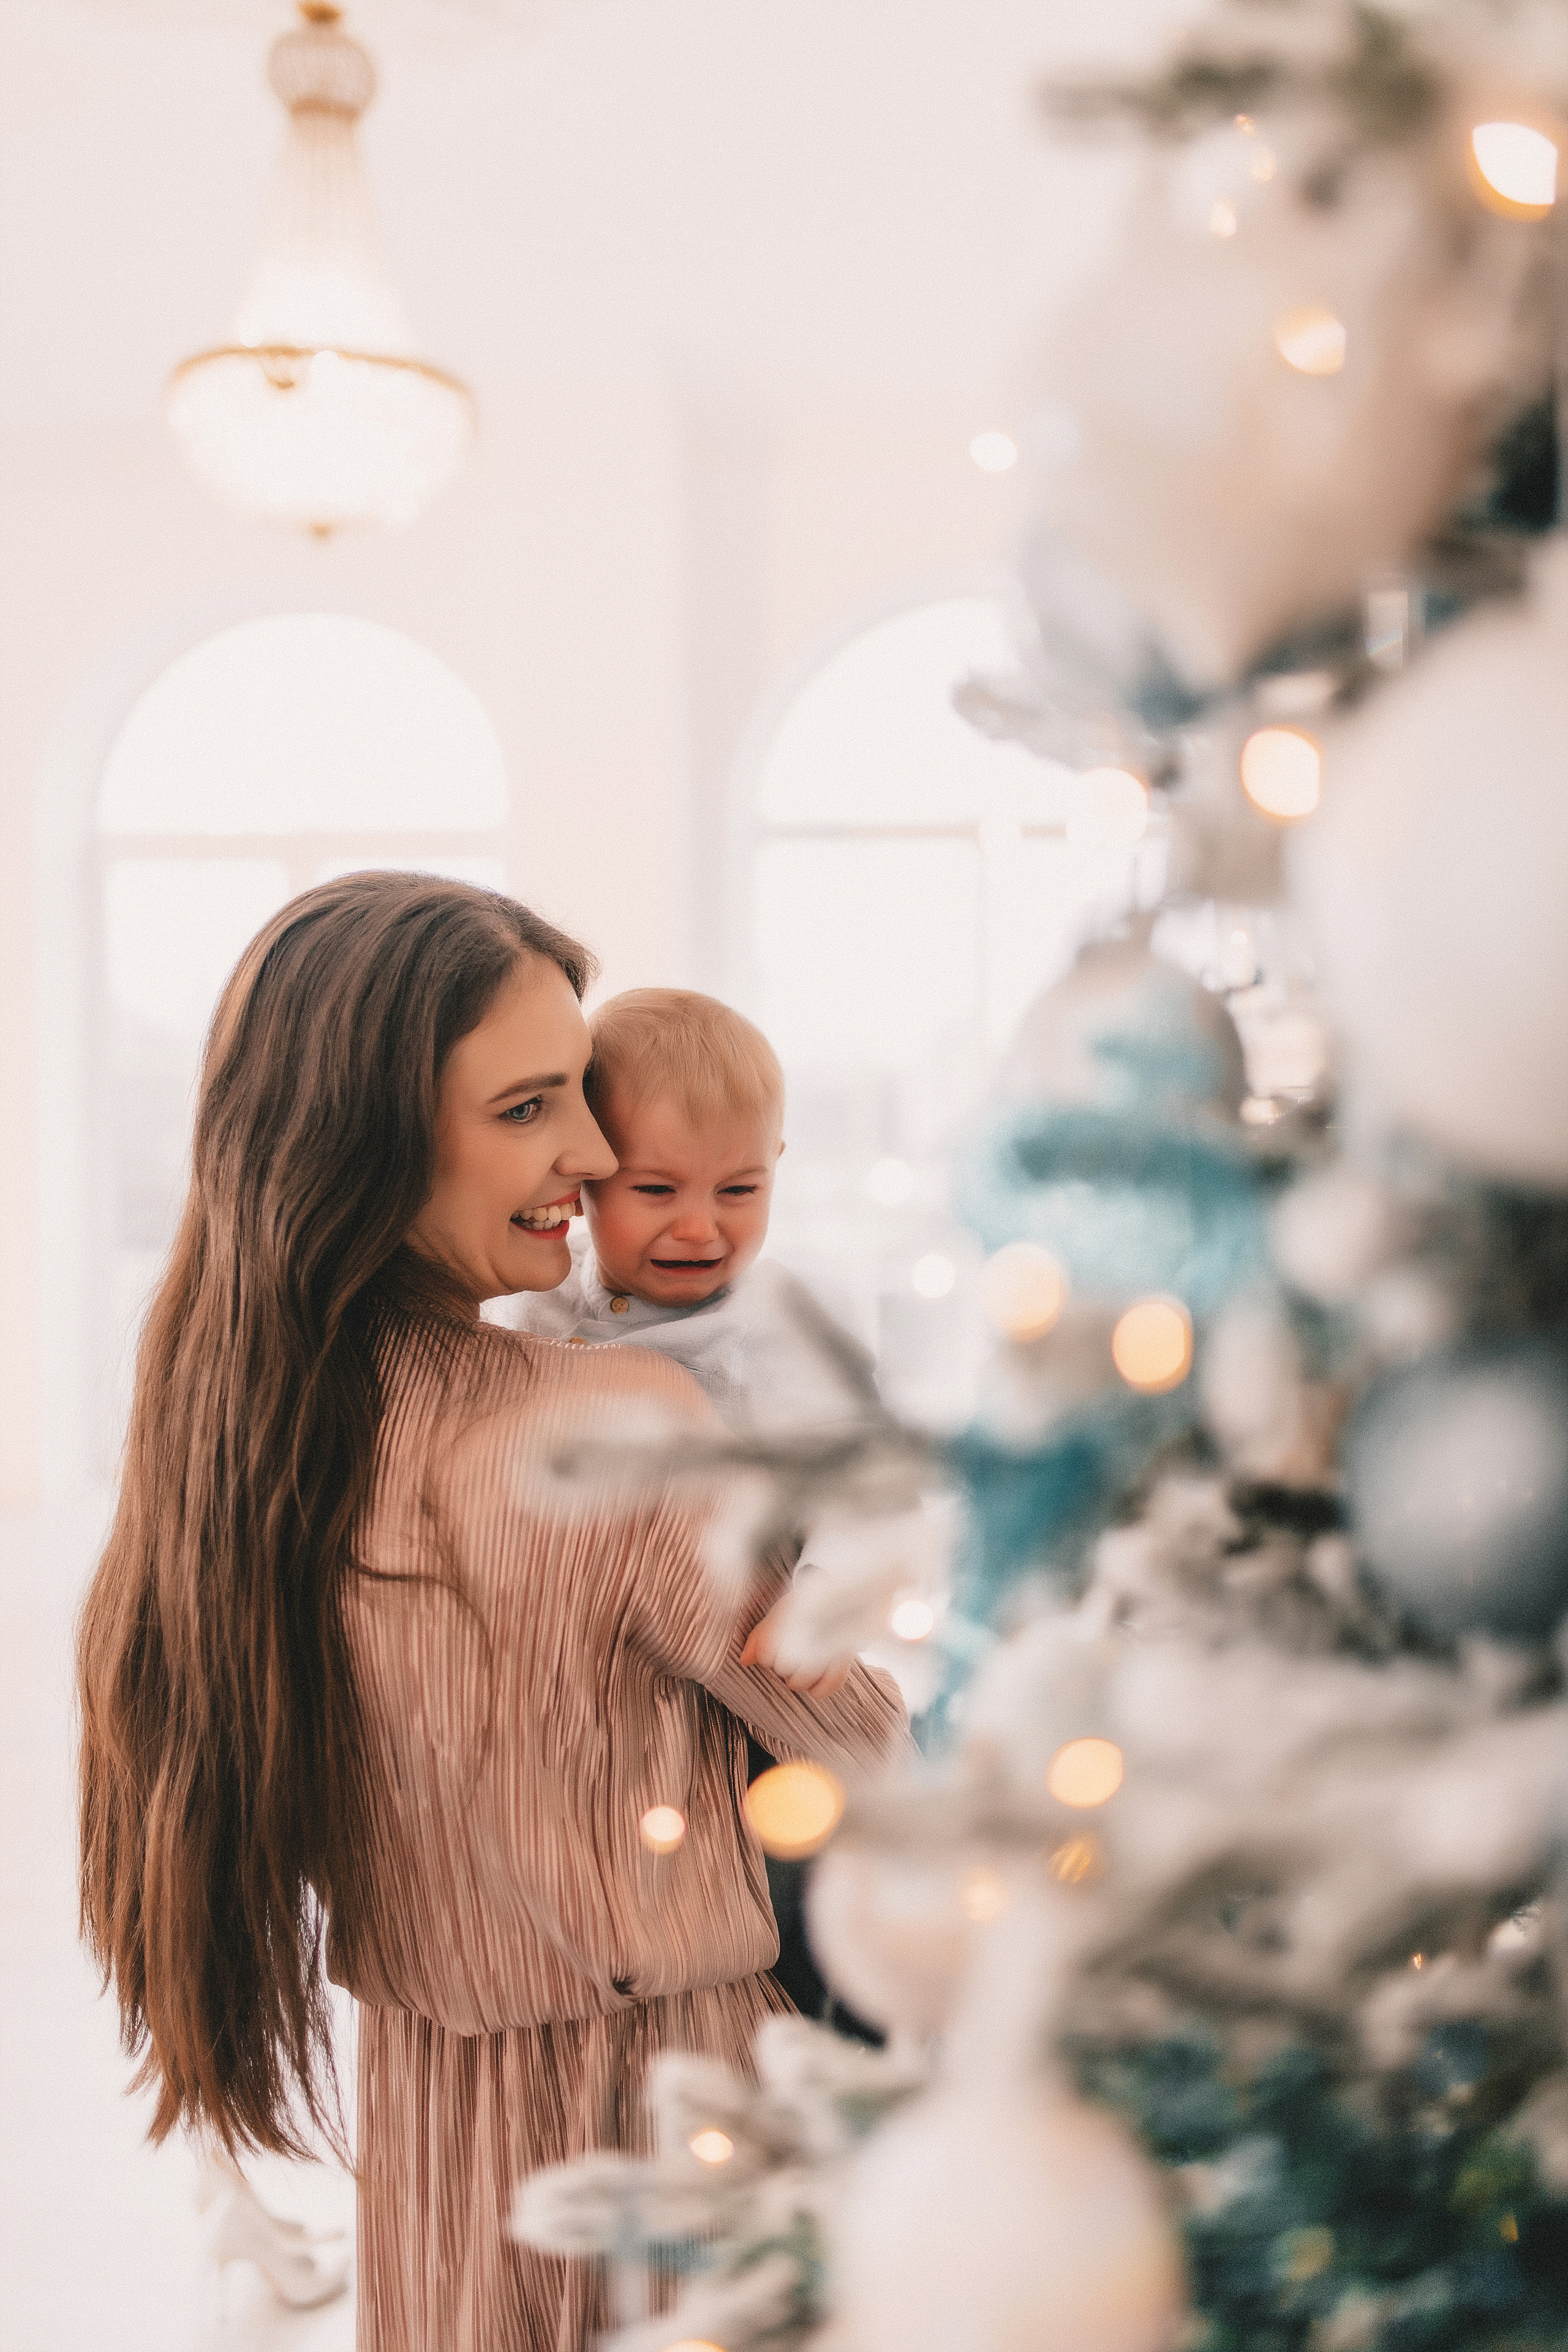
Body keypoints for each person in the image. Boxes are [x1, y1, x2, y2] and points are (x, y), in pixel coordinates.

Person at [77, 875, 907, 2352]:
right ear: (373, 1140)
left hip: (434, 2124)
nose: (591, 1152)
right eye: (530, 1107)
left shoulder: (251, 1430)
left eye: (579, 1096)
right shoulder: (606, 1420)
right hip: (672, 2107)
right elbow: (859, 1741)